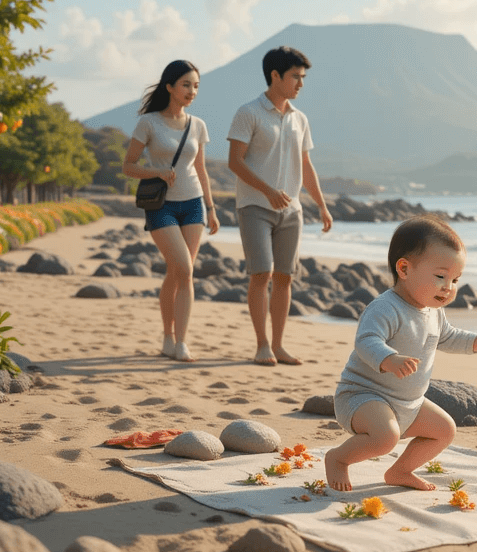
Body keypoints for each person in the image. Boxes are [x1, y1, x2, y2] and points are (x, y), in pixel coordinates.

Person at [324, 215, 477, 492]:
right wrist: (388, 359)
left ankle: (400, 471)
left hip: (408, 403)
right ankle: (338, 459)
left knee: (445, 430)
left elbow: (448, 337)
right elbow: (366, 340)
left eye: (455, 279)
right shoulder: (386, 307)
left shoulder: (433, 311)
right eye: (440, 276)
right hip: (363, 396)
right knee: (385, 438)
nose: (449, 287)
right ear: (404, 269)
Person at [227, 46, 333, 367]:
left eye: (303, 78)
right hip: (255, 206)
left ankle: (278, 345)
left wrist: (322, 206)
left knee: (284, 277)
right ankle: (261, 346)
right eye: (295, 77)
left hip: (292, 212)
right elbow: (235, 161)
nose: (301, 84)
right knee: (261, 274)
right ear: (275, 76)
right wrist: (268, 191)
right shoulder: (249, 112)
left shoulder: (300, 119)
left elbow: (306, 165)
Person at [122, 59, 220, 363]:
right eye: (186, 85)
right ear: (170, 87)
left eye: (196, 86)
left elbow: (201, 169)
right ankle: (173, 340)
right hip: (161, 205)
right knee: (185, 269)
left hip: (193, 204)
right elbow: (128, 166)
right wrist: (156, 171)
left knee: (179, 273)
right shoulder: (149, 122)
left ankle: (175, 341)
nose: (192, 91)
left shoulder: (198, 125)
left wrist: (211, 208)